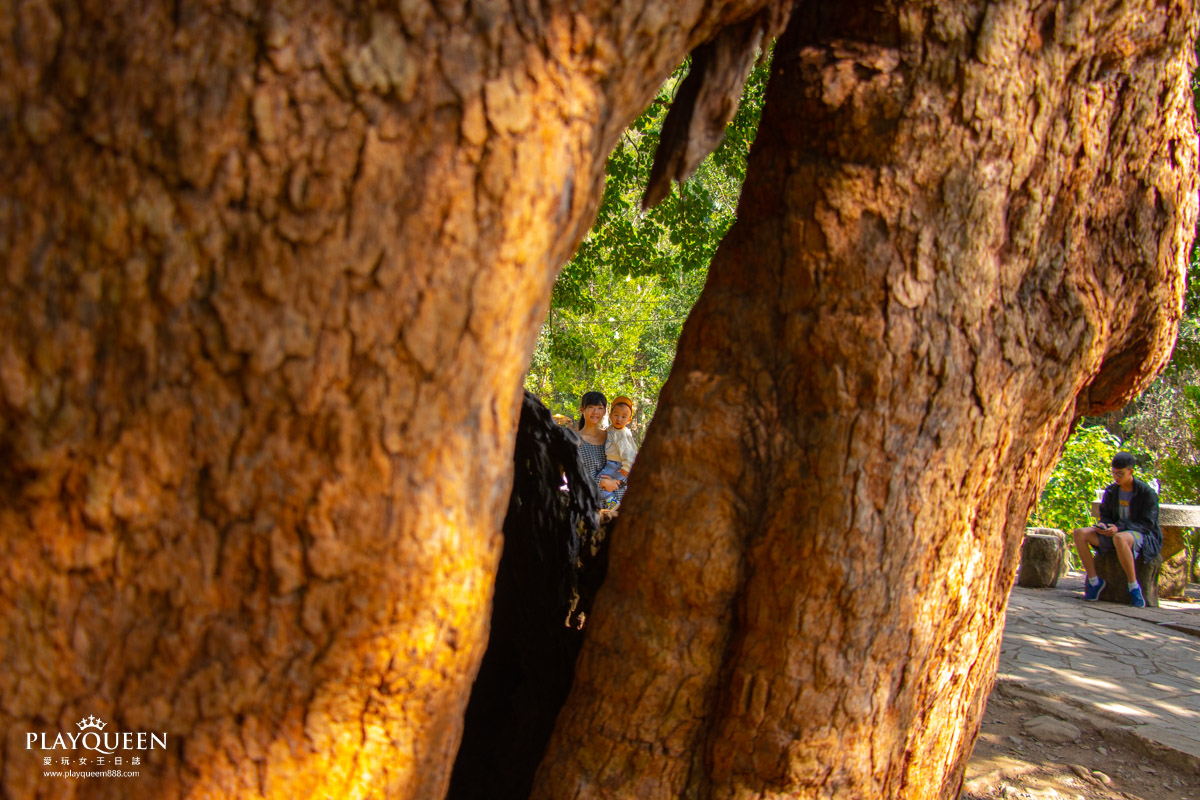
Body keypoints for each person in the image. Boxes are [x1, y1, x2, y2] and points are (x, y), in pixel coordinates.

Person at [1071, 452, 1162, 607]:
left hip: (1140, 536)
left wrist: (1119, 528)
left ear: (1131, 471)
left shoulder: (1146, 493)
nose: (1116, 477)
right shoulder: (1112, 491)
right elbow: (1105, 515)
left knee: (1120, 538)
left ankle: (1133, 587)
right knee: (1080, 533)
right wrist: (1103, 526)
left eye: (1120, 473)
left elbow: (1147, 524)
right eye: (1114, 473)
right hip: (1113, 533)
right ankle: (1094, 582)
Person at [575, 391, 624, 507]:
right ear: (582, 409)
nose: (595, 412)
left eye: (600, 408)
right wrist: (600, 482)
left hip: (621, 501)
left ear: (605, 411)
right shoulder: (575, 441)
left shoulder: (612, 436)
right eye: (591, 407)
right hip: (591, 506)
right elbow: (574, 477)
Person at [597, 396, 637, 508]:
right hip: (613, 463)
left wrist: (627, 466)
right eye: (616, 415)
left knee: (599, 481)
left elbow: (628, 451)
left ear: (629, 420)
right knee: (604, 481)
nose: (619, 419)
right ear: (610, 416)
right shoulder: (612, 429)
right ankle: (617, 484)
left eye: (624, 417)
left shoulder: (621, 433)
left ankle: (612, 502)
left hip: (616, 465)